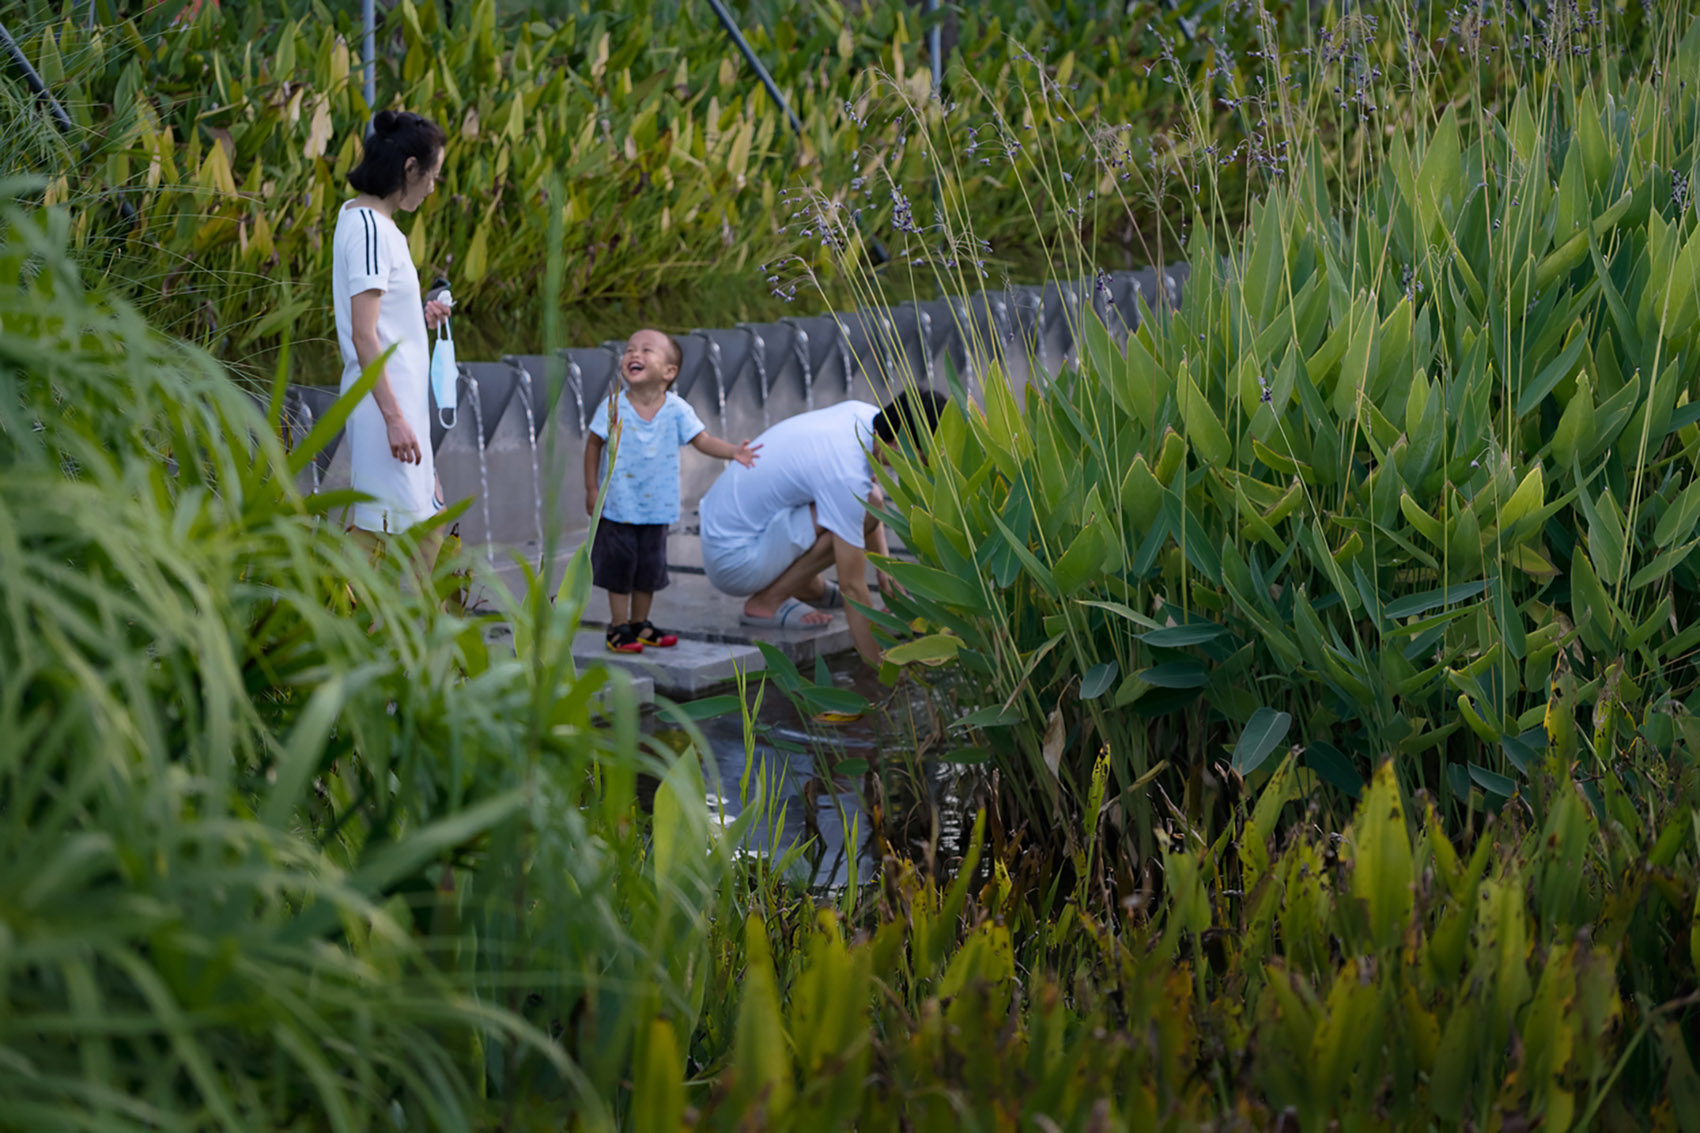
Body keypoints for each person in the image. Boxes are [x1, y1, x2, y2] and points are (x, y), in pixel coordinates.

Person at [698, 389, 949, 667]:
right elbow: (852, 587)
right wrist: (880, 669)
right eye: (922, 458)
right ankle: (767, 602)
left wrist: (885, 572)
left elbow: (869, 498)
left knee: (867, 501)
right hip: (733, 562)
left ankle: (803, 585)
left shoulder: (865, 417)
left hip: (730, 529)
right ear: (894, 443)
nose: (923, 466)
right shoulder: (846, 472)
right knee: (859, 508)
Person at [584, 329, 761, 653]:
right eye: (630, 349)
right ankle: (617, 626)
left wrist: (733, 451)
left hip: (657, 509)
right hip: (619, 505)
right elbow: (594, 443)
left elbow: (702, 440)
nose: (634, 355)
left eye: (646, 350)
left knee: (649, 571)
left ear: (669, 372)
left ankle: (640, 624)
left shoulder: (677, 409)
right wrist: (592, 488)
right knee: (620, 570)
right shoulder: (614, 406)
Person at [332, 109, 451, 583]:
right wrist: (394, 419)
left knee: (411, 528)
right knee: (384, 533)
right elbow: (363, 335)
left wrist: (420, 315)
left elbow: (378, 324)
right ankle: (363, 635)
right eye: (433, 176)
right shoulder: (368, 229)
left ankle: (409, 639)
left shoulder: (364, 221)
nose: (432, 188)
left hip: (396, 405)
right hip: (387, 408)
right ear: (409, 169)